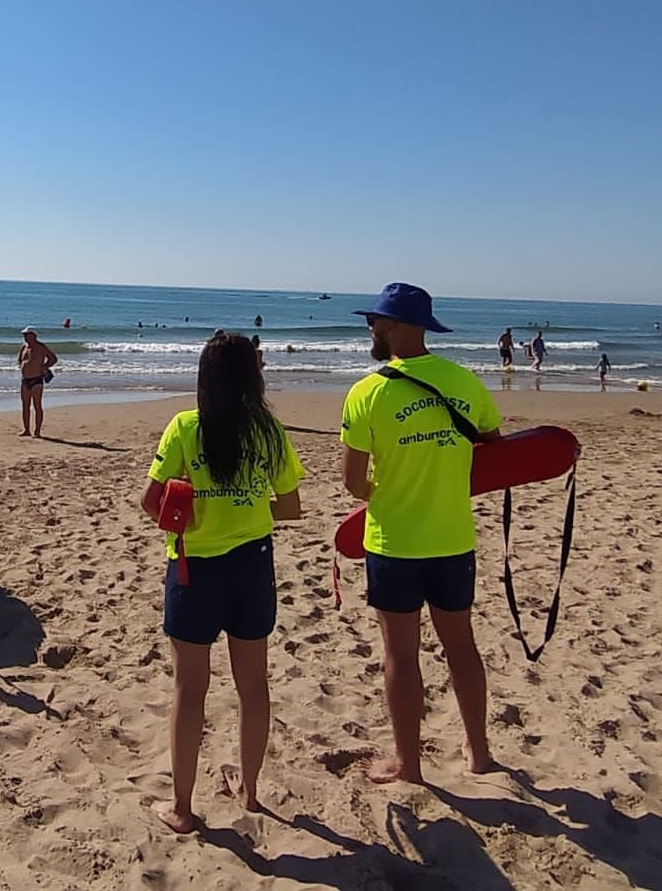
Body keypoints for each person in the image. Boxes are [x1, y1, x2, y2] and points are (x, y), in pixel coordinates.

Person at [139, 330, 304, 832]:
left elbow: (151, 503)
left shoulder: (186, 428)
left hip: (196, 567)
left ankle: (183, 809)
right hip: (252, 563)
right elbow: (292, 508)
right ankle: (251, 793)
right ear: (252, 377)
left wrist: (196, 513)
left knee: (190, 689)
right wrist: (246, 503)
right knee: (253, 684)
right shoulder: (269, 432)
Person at [341, 283, 502, 784]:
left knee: (401, 655)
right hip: (453, 538)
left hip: (394, 543)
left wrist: (396, 493)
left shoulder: (368, 392)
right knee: (462, 647)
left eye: (374, 321)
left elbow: (351, 483)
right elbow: (496, 457)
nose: (369, 328)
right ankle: (479, 754)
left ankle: (409, 765)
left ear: (392, 327)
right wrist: (442, 482)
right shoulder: (465, 382)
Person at [18, 328, 58, 437]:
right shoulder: (24, 347)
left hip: (37, 379)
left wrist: (44, 366)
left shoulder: (41, 347)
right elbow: (20, 360)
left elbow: (53, 358)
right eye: (24, 335)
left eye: (27, 335)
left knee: (37, 405)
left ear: (34, 336)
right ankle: (26, 429)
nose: (25, 337)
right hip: (25, 379)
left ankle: (37, 431)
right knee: (25, 405)